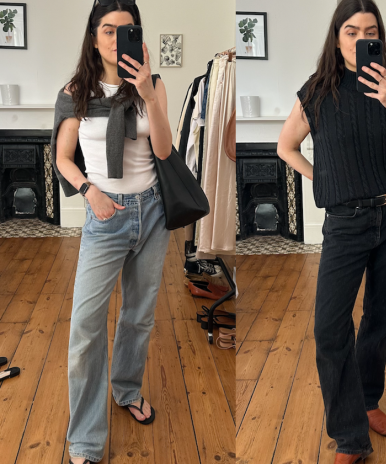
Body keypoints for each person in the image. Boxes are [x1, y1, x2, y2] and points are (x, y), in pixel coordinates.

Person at [277, 1, 386, 462]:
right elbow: (285, 147)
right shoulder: (316, 92)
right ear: (337, 38)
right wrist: (322, 178)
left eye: (370, 32)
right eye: (351, 31)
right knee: (329, 328)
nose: (361, 39)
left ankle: (367, 398)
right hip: (345, 222)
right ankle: (350, 437)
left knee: (381, 317)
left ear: (380, 38)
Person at [52, 1, 173, 462]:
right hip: (105, 216)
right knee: (86, 328)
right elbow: (63, 157)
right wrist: (89, 192)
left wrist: (147, 94)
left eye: (126, 30)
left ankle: (126, 389)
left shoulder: (152, 84)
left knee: (139, 315)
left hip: (153, 212)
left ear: (137, 35)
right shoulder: (75, 91)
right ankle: (86, 440)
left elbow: (164, 150)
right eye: (107, 29)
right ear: (93, 36)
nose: (115, 38)